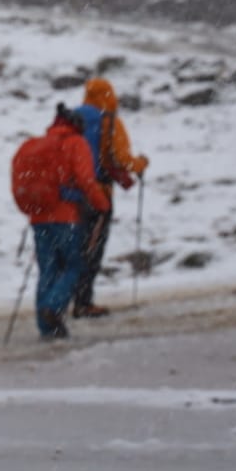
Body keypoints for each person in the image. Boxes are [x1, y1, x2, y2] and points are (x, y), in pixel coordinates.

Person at [12, 105, 109, 339]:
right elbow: (86, 180)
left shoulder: (40, 145)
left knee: (48, 270)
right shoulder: (76, 143)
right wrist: (102, 204)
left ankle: (47, 327)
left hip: (39, 217)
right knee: (73, 266)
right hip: (66, 217)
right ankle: (53, 308)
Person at [72, 77, 151, 318]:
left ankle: (60, 300)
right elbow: (121, 158)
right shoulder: (109, 121)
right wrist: (140, 164)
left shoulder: (71, 118)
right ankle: (83, 302)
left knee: (73, 247)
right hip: (98, 194)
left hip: (70, 194)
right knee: (93, 248)